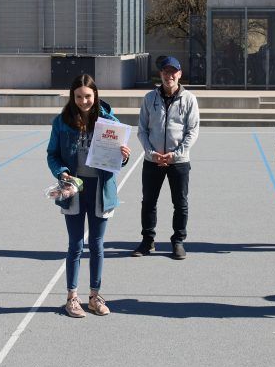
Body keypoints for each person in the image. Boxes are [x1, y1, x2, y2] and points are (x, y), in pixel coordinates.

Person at [46, 74, 131, 317]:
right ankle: (72, 297)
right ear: (73, 97)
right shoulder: (61, 122)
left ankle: (95, 296)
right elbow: (52, 154)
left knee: (97, 244)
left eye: (88, 96)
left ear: (96, 96)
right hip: (73, 188)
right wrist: (62, 172)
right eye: (79, 96)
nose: (84, 101)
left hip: (100, 189)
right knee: (75, 244)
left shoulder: (109, 121)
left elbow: (118, 159)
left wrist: (123, 155)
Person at [132, 55, 200, 260]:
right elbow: (142, 130)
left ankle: (178, 241)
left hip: (178, 162)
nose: (169, 75)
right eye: (165, 71)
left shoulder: (189, 99)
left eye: (173, 72)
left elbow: (192, 131)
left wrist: (176, 154)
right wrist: (151, 152)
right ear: (160, 74)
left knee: (180, 203)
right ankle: (147, 240)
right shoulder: (149, 98)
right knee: (148, 202)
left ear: (179, 74)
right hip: (153, 161)